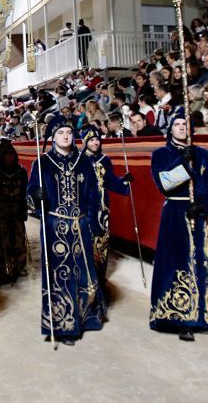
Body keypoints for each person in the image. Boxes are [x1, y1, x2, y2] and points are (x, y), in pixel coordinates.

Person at [148, 107, 208, 341]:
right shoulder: (161, 154)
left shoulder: (204, 154)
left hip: (199, 214)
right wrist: (183, 166)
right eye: (177, 124)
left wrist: (204, 204)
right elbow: (164, 183)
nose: (182, 128)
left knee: (202, 261)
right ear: (170, 128)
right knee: (177, 262)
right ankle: (180, 317)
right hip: (175, 213)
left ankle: (205, 313)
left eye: (185, 124)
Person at [27, 115, 101, 345]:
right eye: (60, 133)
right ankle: (64, 325)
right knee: (60, 274)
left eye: (69, 132)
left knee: (82, 270)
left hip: (79, 225)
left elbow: (92, 194)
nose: (66, 136)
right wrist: (35, 196)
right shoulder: (42, 163)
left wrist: (90, 221)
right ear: (52, 137)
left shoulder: (84, 161)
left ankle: (86, 317)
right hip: (54, 226)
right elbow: (30, 195)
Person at [79, 125, 131, 317]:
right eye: (91, 139)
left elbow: (111, 182)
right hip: (85, 209)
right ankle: (85, 286)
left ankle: (99, 282)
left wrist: (124, 182)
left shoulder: (104, 160)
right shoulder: (78, 160)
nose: (95, 142)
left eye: (97, 139)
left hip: (102, 210)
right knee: (85, 246)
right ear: (84, 141)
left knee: (101, 245)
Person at [0, 139, 28, 287]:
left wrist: (22, 209)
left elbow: (24, 192)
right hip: (0, 212)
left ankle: (17, 269)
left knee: (18, 241)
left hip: (16, 212)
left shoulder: (21, 171)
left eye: (11, 154)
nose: (10, 158)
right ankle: (0, 271)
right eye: (6, 155)